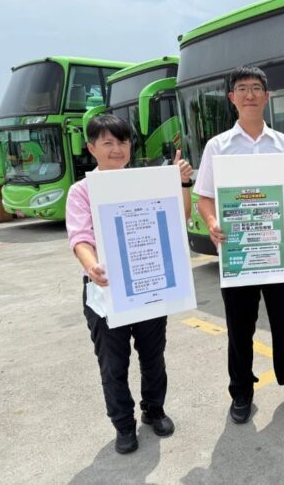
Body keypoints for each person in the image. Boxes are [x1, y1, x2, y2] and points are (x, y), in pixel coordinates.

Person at [195, 65, 284, 424]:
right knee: (239, 326)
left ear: (267, 96)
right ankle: (241, 392)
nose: (249, 94)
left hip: (276, 248)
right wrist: (213, 223)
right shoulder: (217, 146)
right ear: (231, 98)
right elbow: (205, 198)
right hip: (236, 250)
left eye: (255, 88)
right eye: (242, 88)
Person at [66, 114, 193, 454]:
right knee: (113, 364)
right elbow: (80, 237)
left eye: (122, 142)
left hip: (149, 285)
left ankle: (154, 409)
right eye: (107, 142)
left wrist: (181, 183)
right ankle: (123, 424)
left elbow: (180, 217)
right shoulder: (81, 191)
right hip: (105, 291)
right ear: (91, 148)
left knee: (153, 356)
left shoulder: (146, 182)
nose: (117, 149)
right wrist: (92, 267)